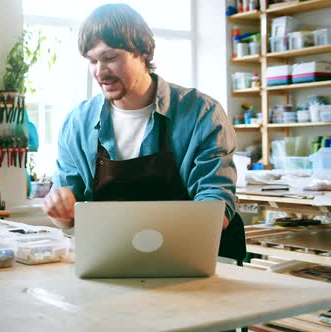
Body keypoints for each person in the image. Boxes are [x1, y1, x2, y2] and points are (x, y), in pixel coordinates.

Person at [42, 3, 245, 261]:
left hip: (199, 260)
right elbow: (69, 212)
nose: (100, 72)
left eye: (110, 58)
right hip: (114, 259)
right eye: (92, 61)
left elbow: (216, 204)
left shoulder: (201, 113)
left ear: (143, 53)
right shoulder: (78, 123)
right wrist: (61, 209)